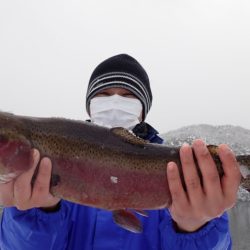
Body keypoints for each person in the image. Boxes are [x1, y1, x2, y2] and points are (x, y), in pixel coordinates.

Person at [0, 54, 241, 249]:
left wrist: (197, 227)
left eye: (127, 96)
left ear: (143, 110)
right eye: (103, 94)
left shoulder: (187, 173)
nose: (114, 101)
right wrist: (33, 216)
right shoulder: (24, 189)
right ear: (90, 105)